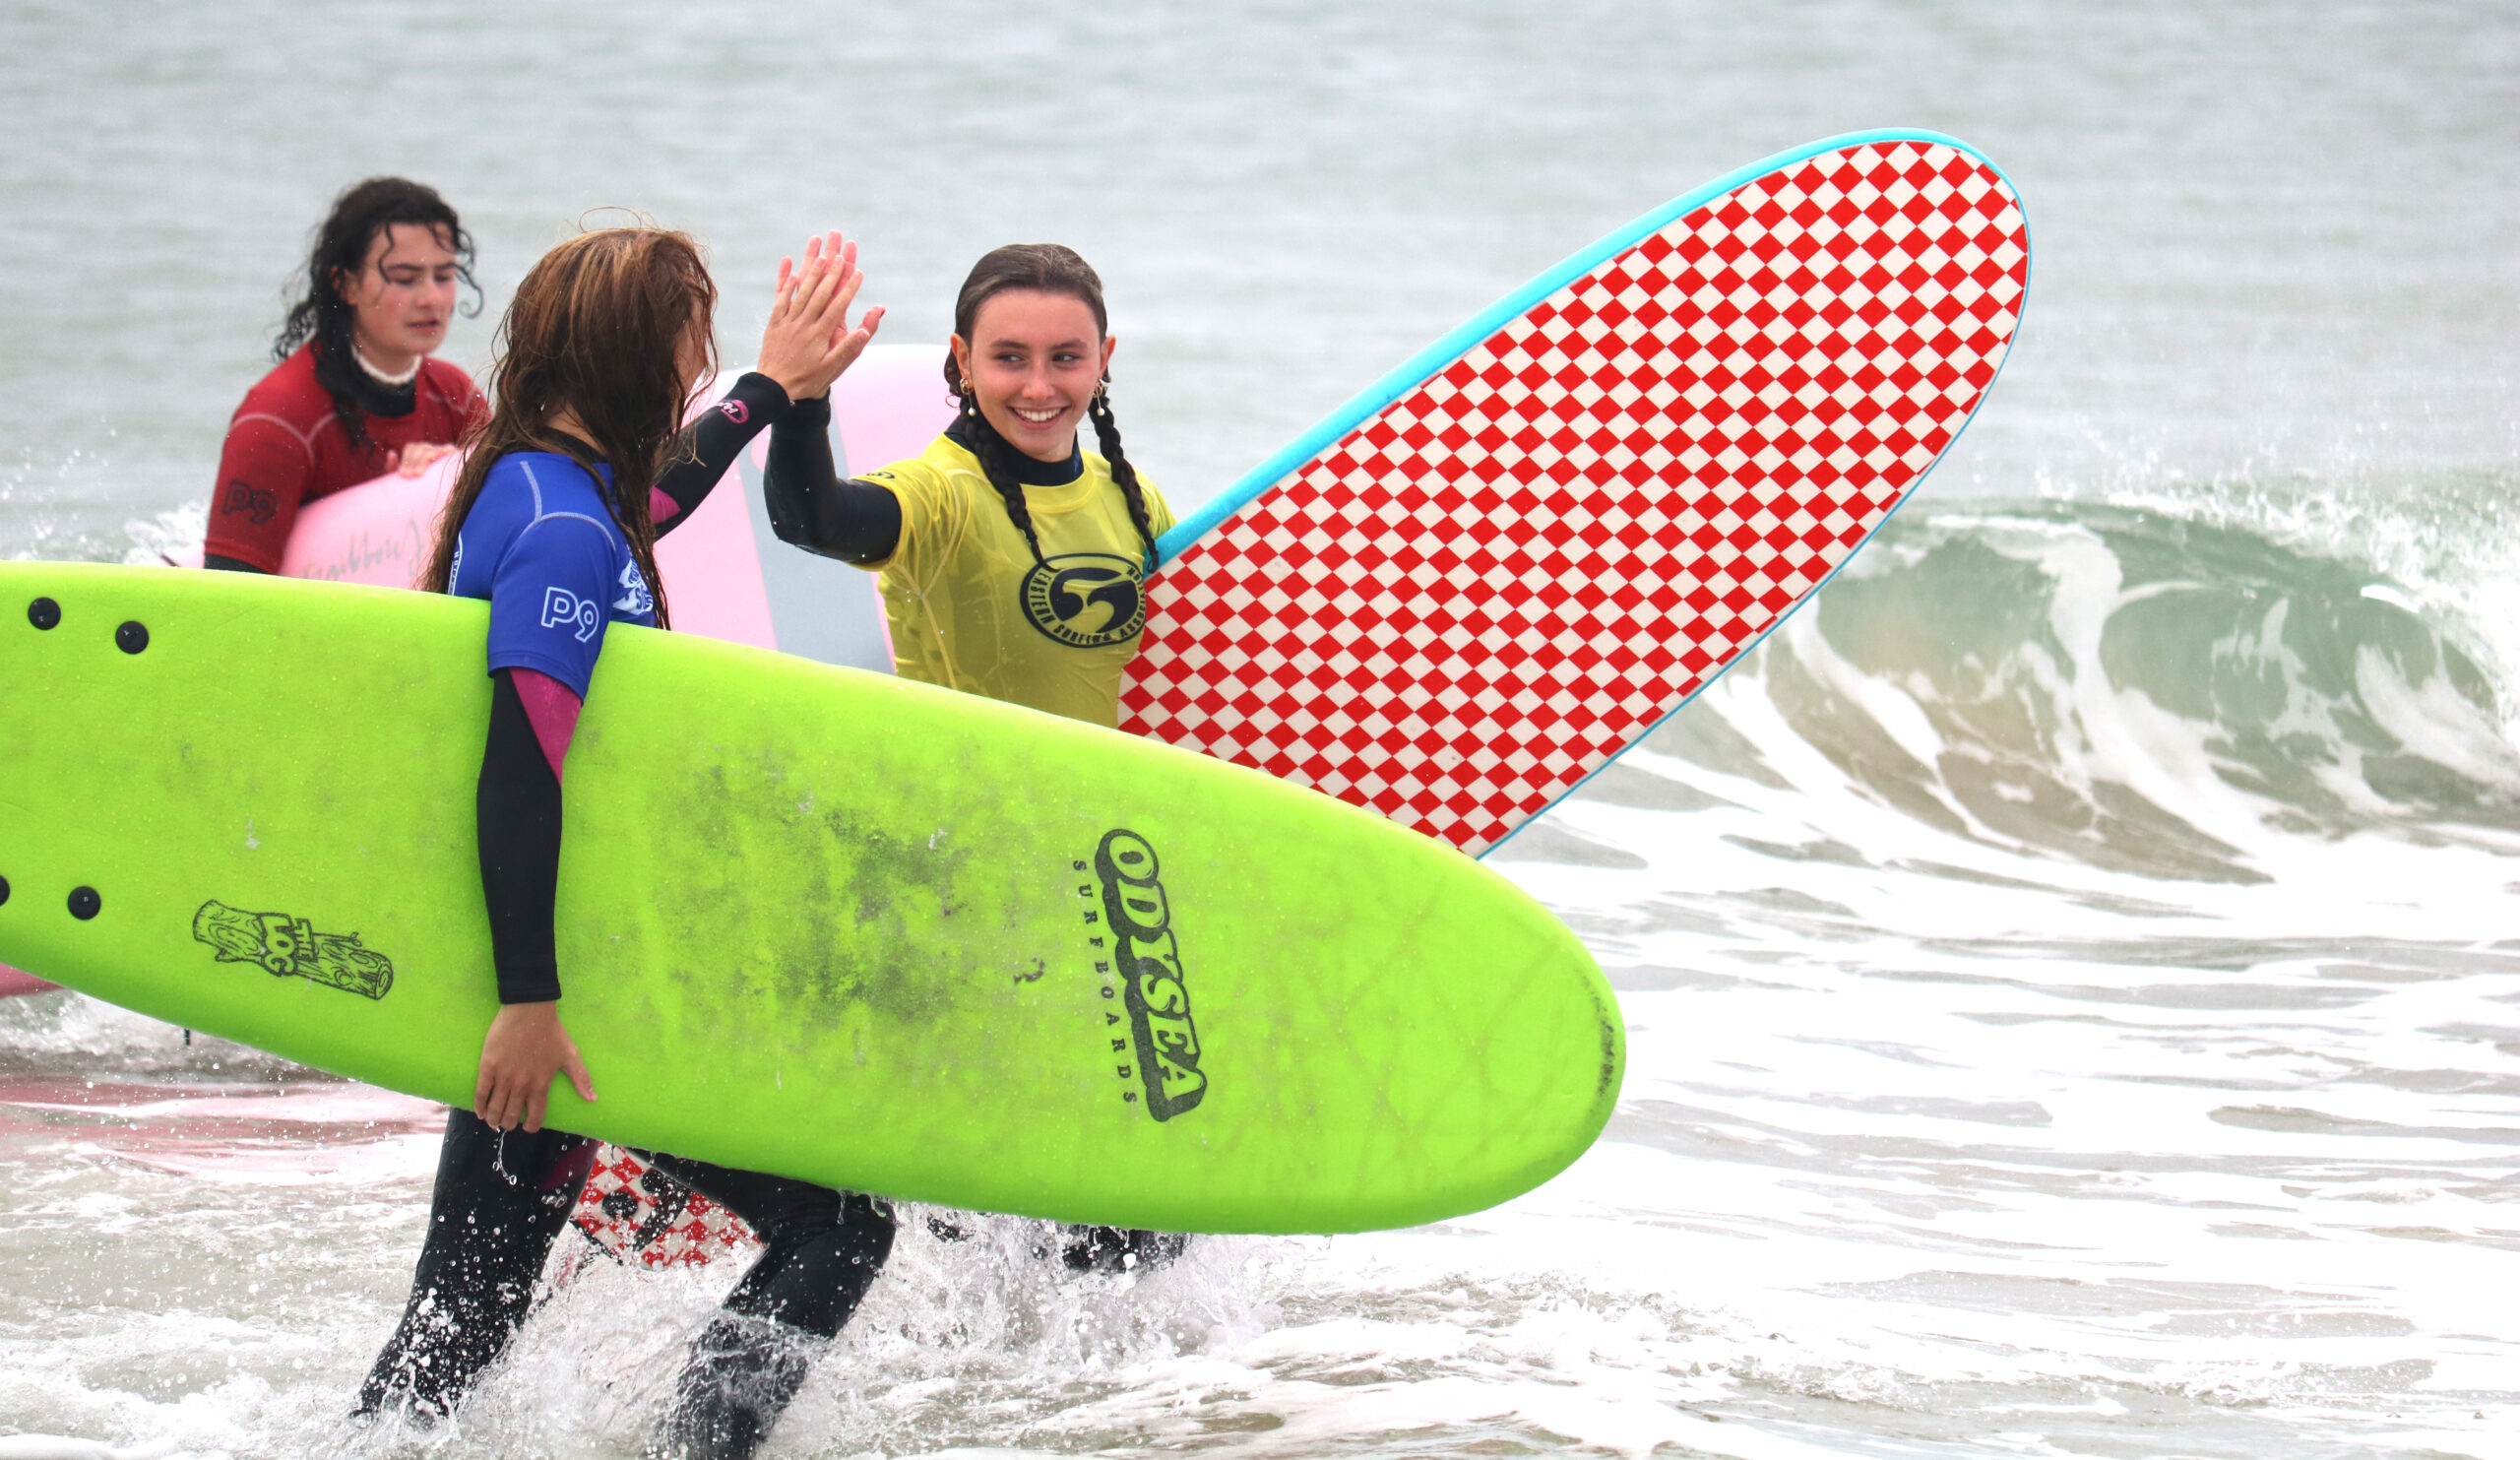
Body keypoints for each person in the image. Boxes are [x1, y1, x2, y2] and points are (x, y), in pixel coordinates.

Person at [357, 224, 890, 1460]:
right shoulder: (562, 528)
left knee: (459, 1325)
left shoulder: (547, 479)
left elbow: (658, 491)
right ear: (632, 352)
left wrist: (775, 387)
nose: (697, 365)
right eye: (690, 340)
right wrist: (529, 1003)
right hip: (564, 986)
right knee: (841, 1224)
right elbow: (519, 770)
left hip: (557, 964)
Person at [762, 241, 1183, 1274]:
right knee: (998, 1208)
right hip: (968, 883)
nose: (1038, 387)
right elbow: (813, 517)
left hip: (1102, 882)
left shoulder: (1133, 501)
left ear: (1104, 358)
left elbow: (1189, 689)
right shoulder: (942, 494)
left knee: (1137, 1215)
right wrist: (799, 400)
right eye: (1008, 358)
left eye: (1065, 358)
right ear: (959, 358)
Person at [205, 177, 488, 573]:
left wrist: (451, 474)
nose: (432, 299)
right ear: (346, 285)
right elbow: (228, 592)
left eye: (443, 276)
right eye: (405, 279)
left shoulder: (454, 395)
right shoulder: (279, 418)